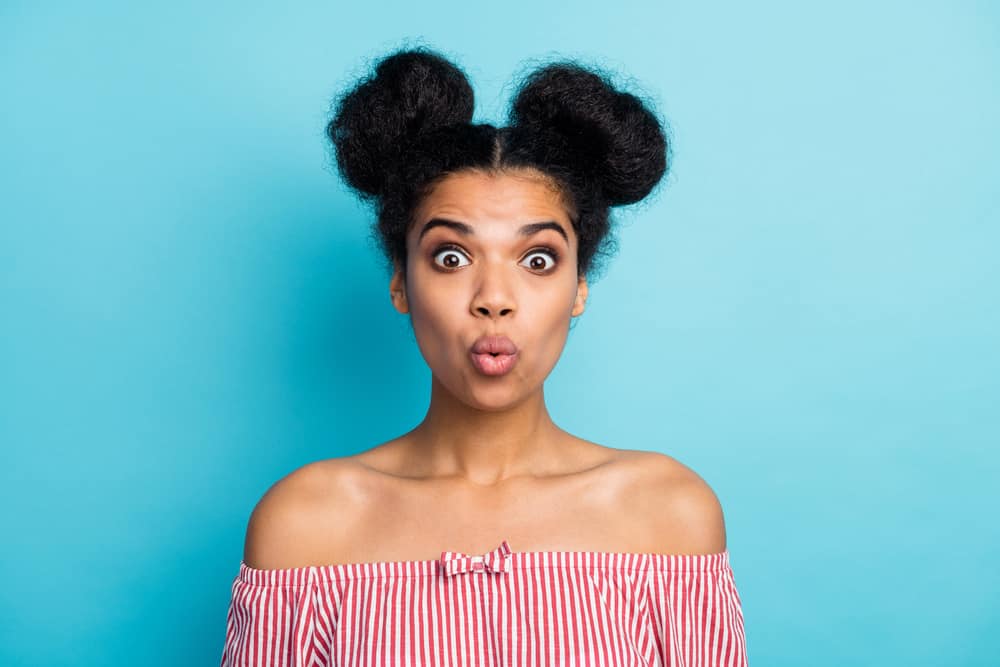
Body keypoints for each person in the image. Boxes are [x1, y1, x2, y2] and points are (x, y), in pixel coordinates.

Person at [219, 46, 748, 666]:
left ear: (578, 287)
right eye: (451, 257)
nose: (494, 300)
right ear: (400, 282)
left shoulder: (668, 514)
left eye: (538, 259)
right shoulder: (305, 524)